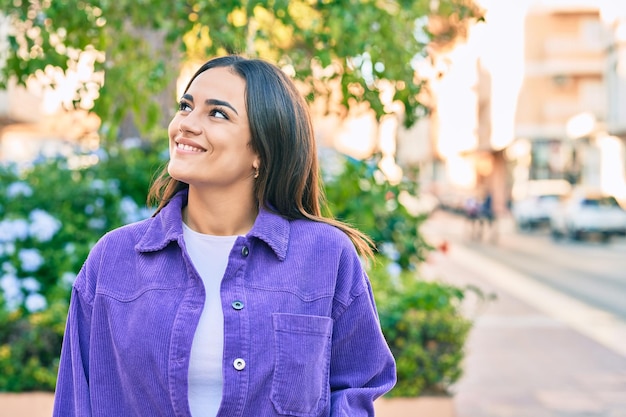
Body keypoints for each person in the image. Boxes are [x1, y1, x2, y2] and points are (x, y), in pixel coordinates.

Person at [52, 55, 396, 417]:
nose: (186, 124)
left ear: (261, 151)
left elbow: (357, 385)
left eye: (217, 114)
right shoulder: (114, 258)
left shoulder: (325, 256)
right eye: (186, 106)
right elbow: (77, 399)